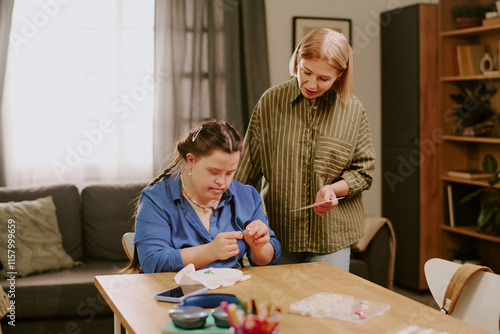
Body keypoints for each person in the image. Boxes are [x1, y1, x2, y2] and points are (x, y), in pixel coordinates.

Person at [234, 28, 375, 272]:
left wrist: (333, 189)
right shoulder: (270, 102)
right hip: (281, 231)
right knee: (281, 306)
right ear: (298, 58)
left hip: (333, 236)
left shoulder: (353, 110)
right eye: (306, 71)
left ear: (340, 76)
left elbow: (364, 171)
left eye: (323, 79)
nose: (310, 84)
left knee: (327, 306)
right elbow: (245, 172)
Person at [125, 119, 281, 273]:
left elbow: (267, 259)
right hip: (175, 294)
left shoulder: (247, 196)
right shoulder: (156, 199)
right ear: (191, 161)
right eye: (214, 172)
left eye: (229, 173)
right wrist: (210, 252)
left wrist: (259, 247)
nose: (222, 182)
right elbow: (152, 262)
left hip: (231, 294)